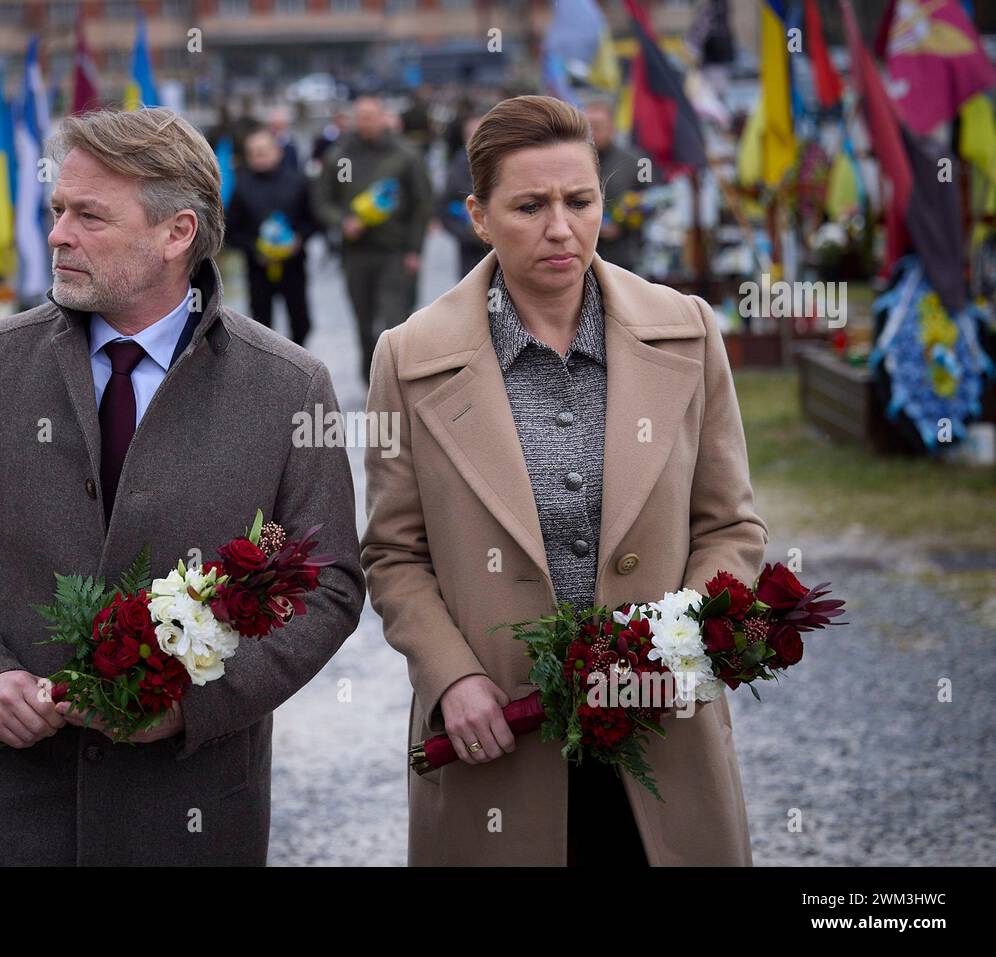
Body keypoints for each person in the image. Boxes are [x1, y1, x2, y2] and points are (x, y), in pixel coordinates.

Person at [0, 107, 365, 866]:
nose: (56, 235)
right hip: (22, 807)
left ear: (176, 233)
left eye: (89, 216)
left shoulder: (287, 386)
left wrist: (193, 705)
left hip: (195, 807)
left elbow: (331, 585)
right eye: (56, 210)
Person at [360, 95, 767, 866]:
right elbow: (393, 554)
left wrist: (681, 644)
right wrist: (452, 678)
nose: (560, 227)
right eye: (529, 205)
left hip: (663, 728)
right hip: (498, 737)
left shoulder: (686, 329)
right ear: (478, 215)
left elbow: (731, 527)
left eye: (579, 200)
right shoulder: (408, 358)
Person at [311, 94, 432, 383]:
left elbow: (422, 203)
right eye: (360, 117)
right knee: (364, 321)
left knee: (394, 320)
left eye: (371, 116)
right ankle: (371, 380)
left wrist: (415, 249)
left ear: (383, 117)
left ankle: (399, 381)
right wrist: (342, 222)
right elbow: (322, 200)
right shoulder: (340, 157)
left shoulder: (405, 156)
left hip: (396, 250)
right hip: (356, 253)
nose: (366, 122)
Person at [225, 126, 317, 345]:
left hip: (293, 265)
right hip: (258, 268)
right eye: (253, 153)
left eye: (263, 151)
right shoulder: (241, 187)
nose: (259, 157)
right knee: (259, 326)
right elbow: (230, 231)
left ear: (277, 152)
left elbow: (313, 221)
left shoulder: (297, 182)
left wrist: (298, 239)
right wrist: (254, 248)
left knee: (301, 322)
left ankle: (298, 365)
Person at [585, 97, 645, 272]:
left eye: (597, 127)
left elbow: (652, 197)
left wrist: (623, 224)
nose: (592, 134)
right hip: (584, 256)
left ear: (611, 127)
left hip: (624, 255)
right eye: (587, 128)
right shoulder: (571, 163)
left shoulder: (640, 161)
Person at [438, 112, 489, 278]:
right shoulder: (457, 166)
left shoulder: (508, 164)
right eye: (471, 135)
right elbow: (444, 207)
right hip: (470, 250)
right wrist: (468, 234)